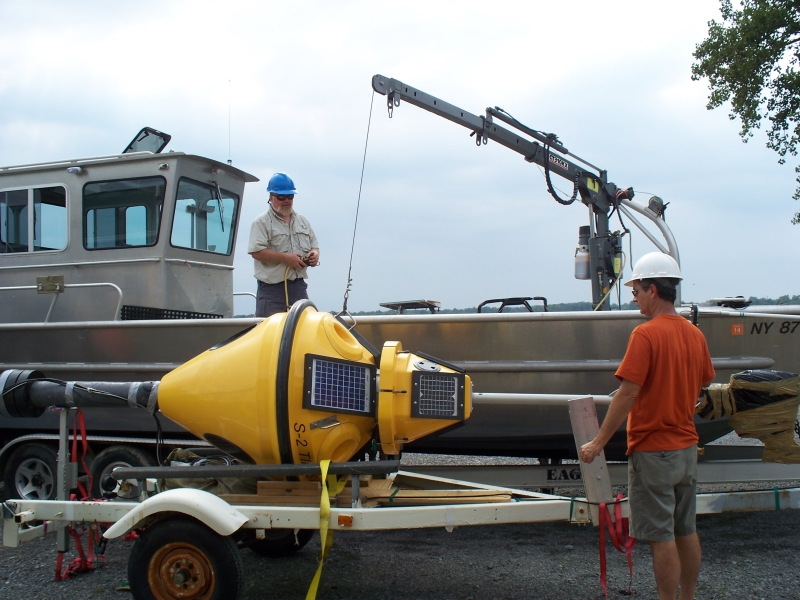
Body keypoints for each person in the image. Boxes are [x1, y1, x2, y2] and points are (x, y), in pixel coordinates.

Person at [579, 252, 715, 600]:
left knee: (660, 536)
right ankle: (688, 596)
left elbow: (626, 395)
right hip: (686, 448)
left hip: (654, 451)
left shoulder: (646, 335)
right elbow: (702, 384)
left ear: (653, 289)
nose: (635, 297)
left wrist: (597, 443)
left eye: (637, 290)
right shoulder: (694, 334)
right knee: (686, 528)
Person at [248, 173, 319, 318]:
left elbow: (314, 246)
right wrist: (286, 258)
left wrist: (314, 255)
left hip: (298, 288)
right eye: (281, 197)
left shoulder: (303, 221)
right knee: (269, 335)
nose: (286, 200)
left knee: (304, 330)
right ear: (271, 197)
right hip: (271, 291)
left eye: (290, 196)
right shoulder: (261, 222)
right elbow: (256, 252)